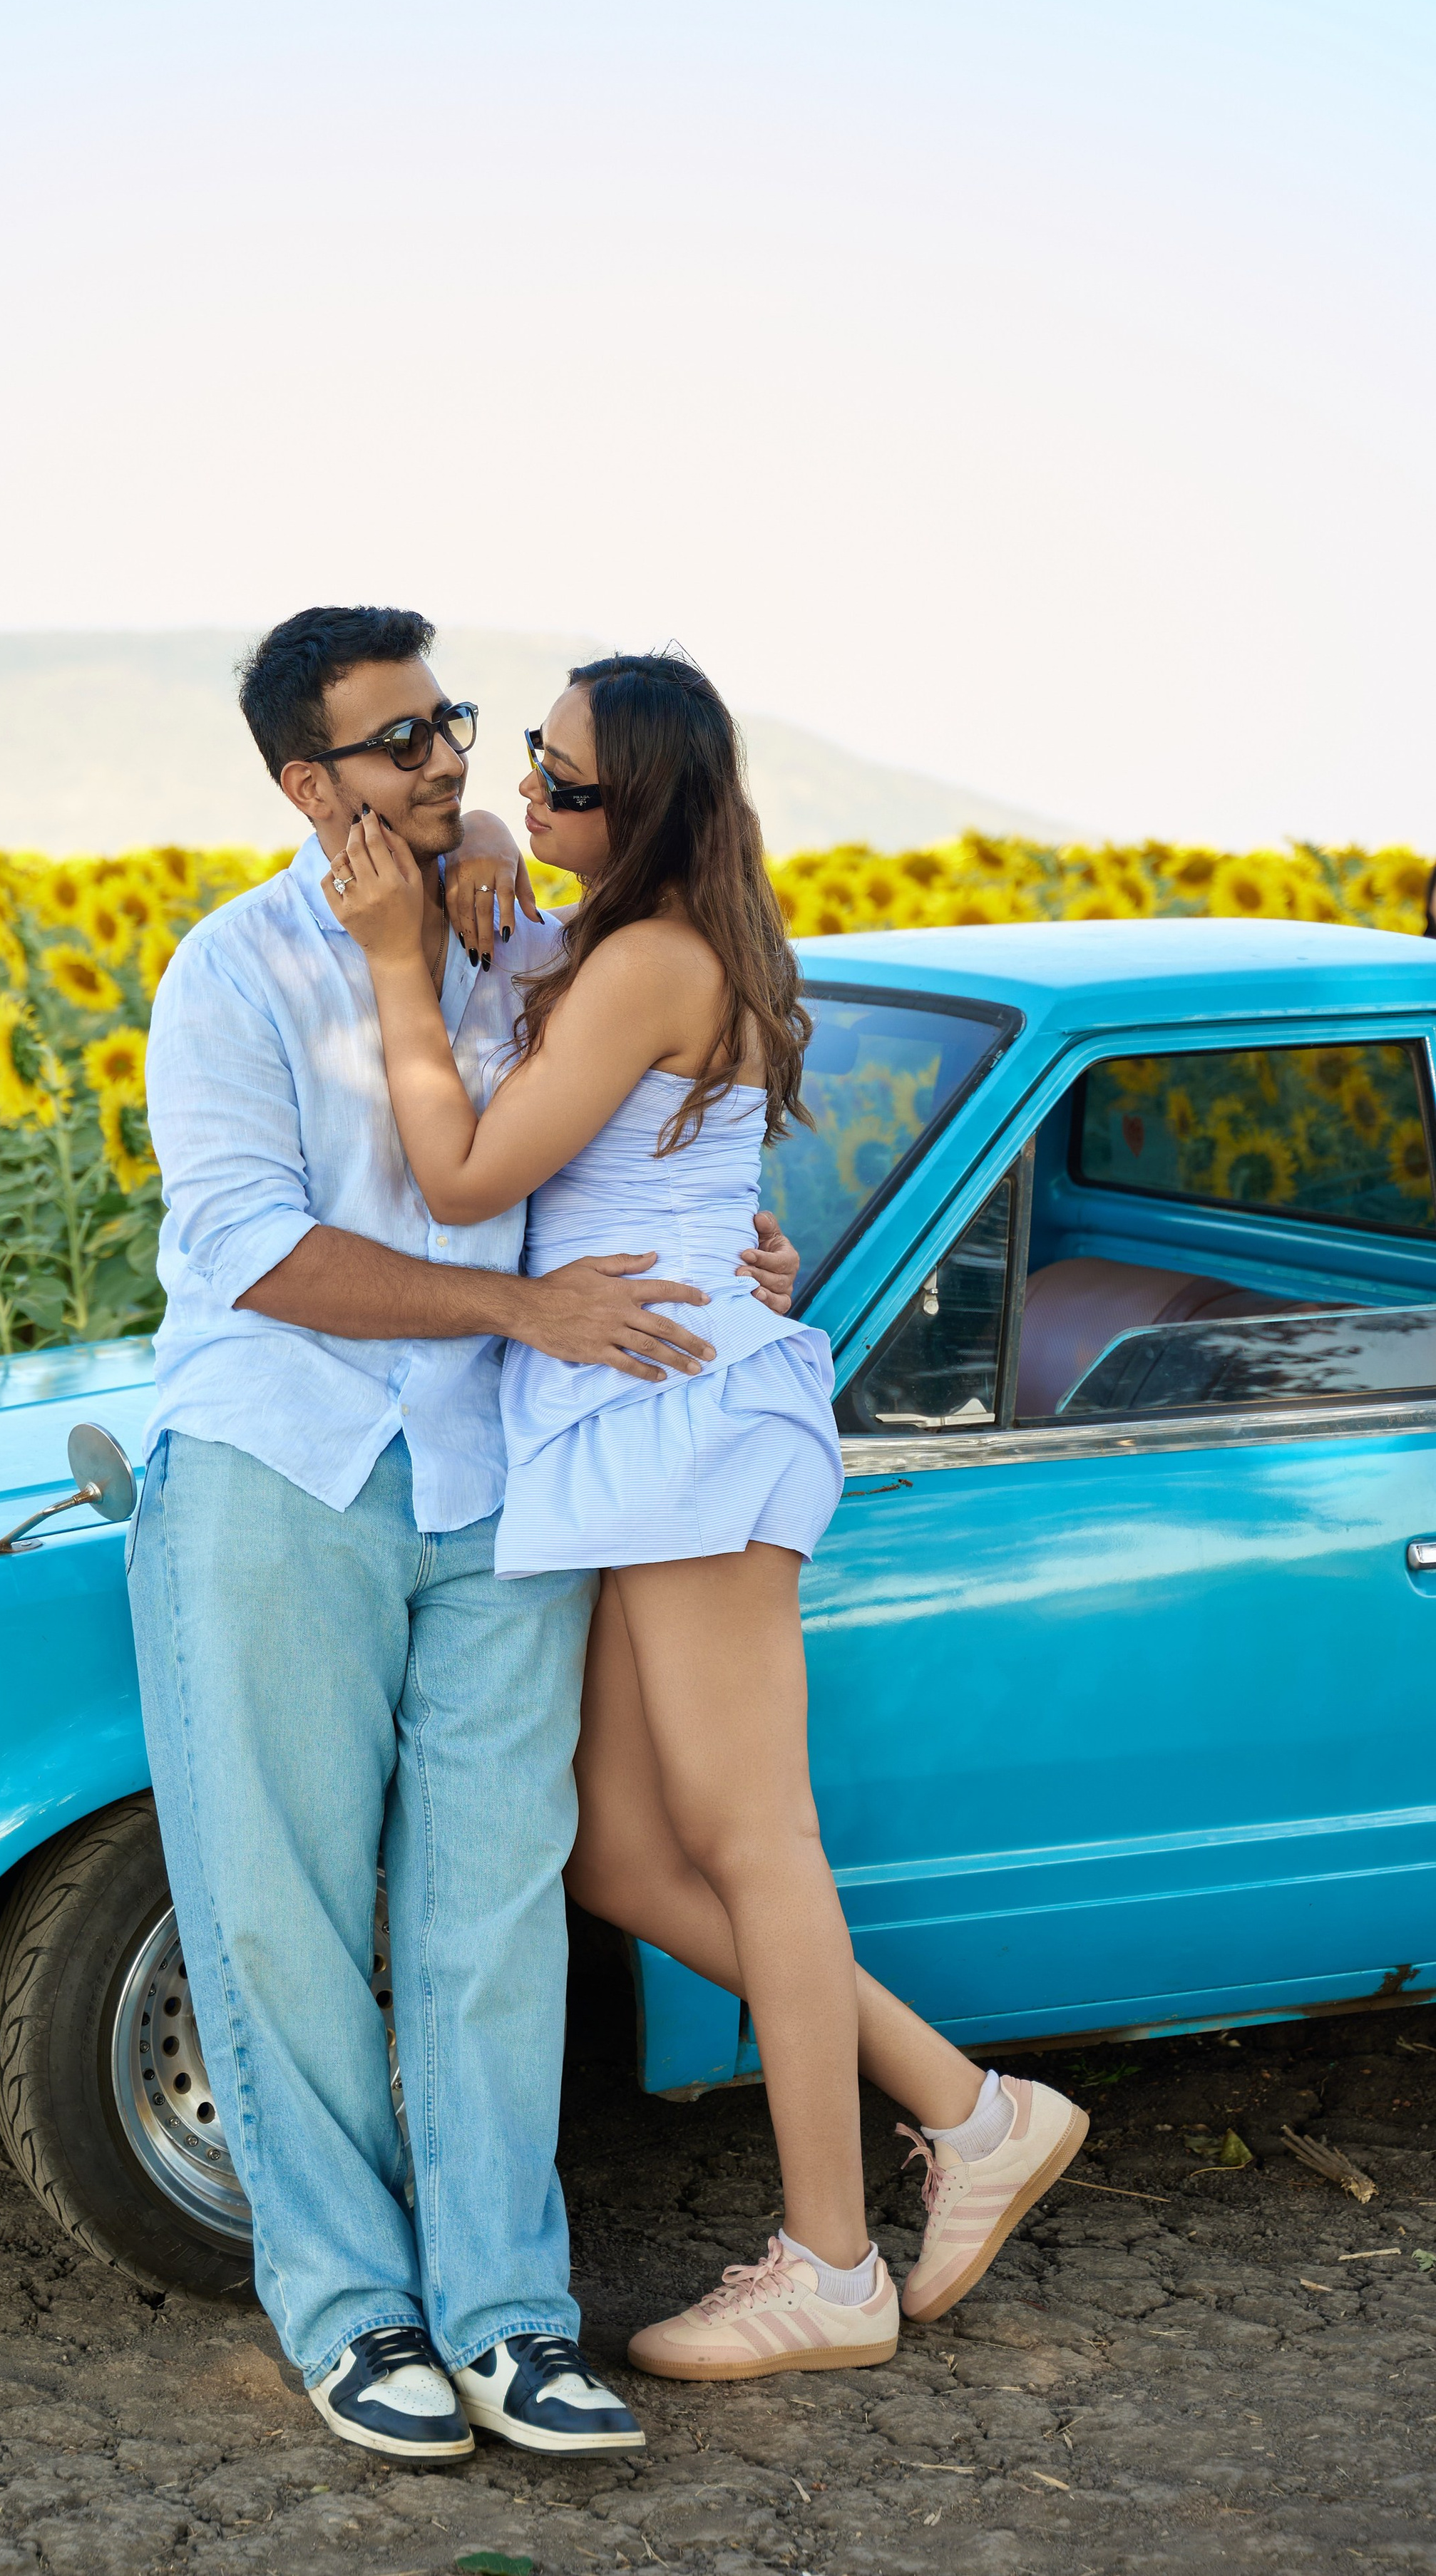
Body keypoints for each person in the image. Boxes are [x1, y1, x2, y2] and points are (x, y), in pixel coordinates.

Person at [333, 648, 1090, 2381]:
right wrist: (472, 904)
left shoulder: (655, 956)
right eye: (533, 755)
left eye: (568, 782)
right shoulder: (625, 940)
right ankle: (963, 2109)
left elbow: (463, 1174)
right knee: (609, 1843)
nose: (530, 789)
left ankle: (830, 2259)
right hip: (632, 1403)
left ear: (645, 808)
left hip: (671, 1410)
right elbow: (677, 1171)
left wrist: (393, 968)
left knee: (757, 1841)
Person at [128, 606, 799, 2465]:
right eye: (397, 742)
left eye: (453, 727)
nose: (443, 766)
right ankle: (350, 2307)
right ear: (302, 783)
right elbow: (259, 1252)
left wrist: (737, 1254)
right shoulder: (233, 971)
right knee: (277, 1911)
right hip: (286, 1473)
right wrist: (525, 1312)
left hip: (515, 1486)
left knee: (495, 1909)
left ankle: (511, 2313)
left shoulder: (533, 946)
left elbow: (634, 1149)